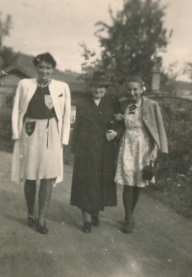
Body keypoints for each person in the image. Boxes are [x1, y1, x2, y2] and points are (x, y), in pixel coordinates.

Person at [11, 53, 71, 234]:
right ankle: (30, 213)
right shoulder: (24, 84)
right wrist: (16, 133)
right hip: (30, 130)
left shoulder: (63, 87)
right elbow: (16, 110)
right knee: (30, 175)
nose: (44, 71)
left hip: (52, 130)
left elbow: (67, 114)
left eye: (48, 68)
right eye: (41, 67)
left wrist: (64, 138)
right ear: (36, 68)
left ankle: (41, 218)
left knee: (48, 175)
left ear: (53, 69)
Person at [70, 71, 123, 233]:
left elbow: (120, 123)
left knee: (99, 183)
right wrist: (73, 148)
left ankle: (95, 213)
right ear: (91, 87)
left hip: (104, 149)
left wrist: (115, 133)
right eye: (95, 87)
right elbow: (77, 126)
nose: (98, 90)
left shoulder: (112, 103)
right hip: (85, 148)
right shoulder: (82, 103)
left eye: (101, 87)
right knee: (85, 183)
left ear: (106, 88)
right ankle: (86, 220)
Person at [114, 76, 168, 233]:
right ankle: (129, 219)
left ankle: (129, 215)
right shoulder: (125, 104)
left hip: (144, 147)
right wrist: (116, 117)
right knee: (128, 183)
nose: (132, 92)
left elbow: (158, 128)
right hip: (127, 145)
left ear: (141, 89)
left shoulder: (151, 105)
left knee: (139, 183)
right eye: (129, 89)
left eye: (135, 89)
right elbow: (121, 122)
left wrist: (156, 149)